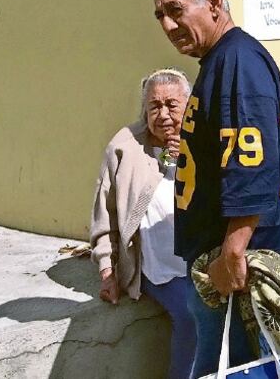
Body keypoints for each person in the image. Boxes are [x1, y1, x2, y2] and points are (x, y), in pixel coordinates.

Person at [146, 0, 280, 375]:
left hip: (236, 265)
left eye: (176, 11)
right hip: (221, 261)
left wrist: (232, 254)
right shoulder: (221, 61)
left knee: (235, 368)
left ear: (214, 2)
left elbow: (252, 165)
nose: (167, 25)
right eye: (160, 14)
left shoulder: (238, 62)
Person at [90, 68, 210, 379]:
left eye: (172, 105)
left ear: (190, 105)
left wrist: (190, 158)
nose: (163, 114)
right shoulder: (125, 146)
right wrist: (107, 270)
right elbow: (105, 214)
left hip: (205, 262)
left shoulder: (204, 141)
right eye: (154, 105)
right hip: (161, 269)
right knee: (192, 316)